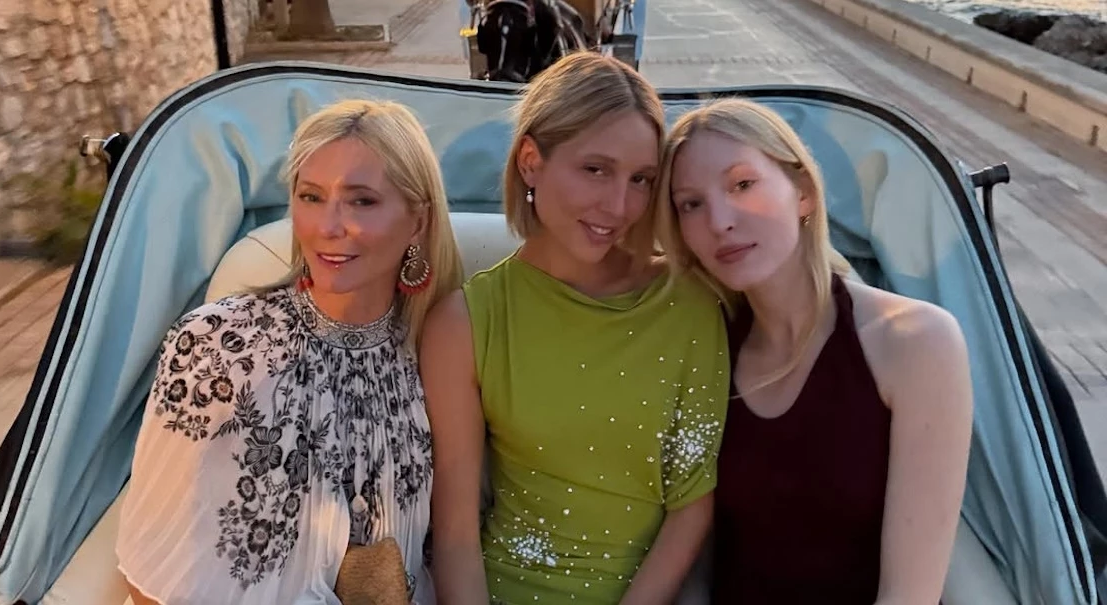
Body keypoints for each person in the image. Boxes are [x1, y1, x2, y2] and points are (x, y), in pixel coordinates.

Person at [115, 99, 464, 605]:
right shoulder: (215, 344)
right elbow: (150, 566)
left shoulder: (437, 355)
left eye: (362, 201)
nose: (328, 226)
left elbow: (451, 542)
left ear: (418, 222)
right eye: (311, 196)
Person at [421, 52, 729, 604]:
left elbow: (691, 503)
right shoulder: (464, 323)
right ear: (531, 161)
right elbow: (455, 535)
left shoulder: (687, 302)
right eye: (596, 169)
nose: (619, 205)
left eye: (641, 179)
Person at [654, 98, 974, 604]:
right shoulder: (705, 346)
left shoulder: (916, 342)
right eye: (690, 203)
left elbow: (909, 595)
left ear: (802, 192)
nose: (719, 221)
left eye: (742, 184)